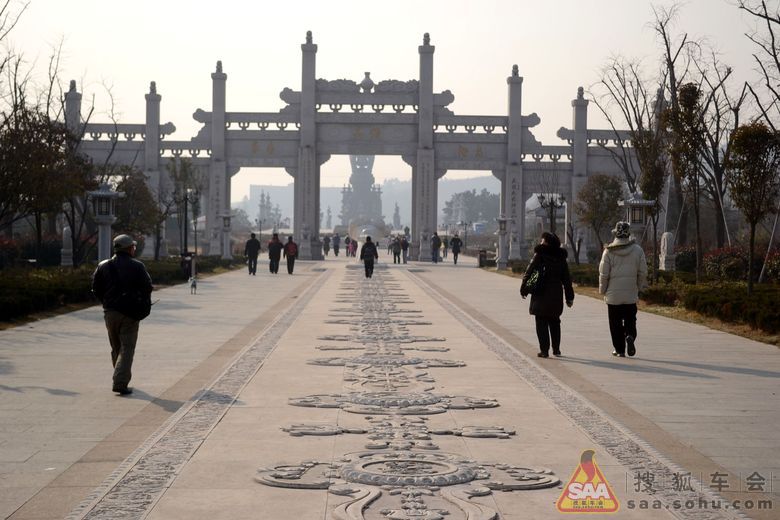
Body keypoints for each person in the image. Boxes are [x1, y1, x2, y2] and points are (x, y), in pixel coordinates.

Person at [91, 234, 154, 395]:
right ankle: (120, 381)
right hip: (130, 314)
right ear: (129, 248)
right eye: (133, 247)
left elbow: (96, 288)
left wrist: (107, 302)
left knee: (116, 347)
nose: (134, 248)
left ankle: (120, 376)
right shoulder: (137, 266)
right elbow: (148, 287)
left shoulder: (103, 265)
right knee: (127, 348)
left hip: (110, 313)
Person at [520, 232, 574, 358]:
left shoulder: (539, 255)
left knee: (541, 321)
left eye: (543, 240)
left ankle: (544, 351)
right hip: (556, 293)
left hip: (540, 292)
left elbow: (530, 272)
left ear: (548, 242)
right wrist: (569, 297)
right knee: (555, 321)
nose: (541, 242)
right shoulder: (561, 258)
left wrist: (524, 289)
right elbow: (566, 279)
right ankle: (556, 349)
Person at [599, 221, 648, 358]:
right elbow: (643, 272)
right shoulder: (638, 250)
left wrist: (602, 290)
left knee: (615, 323)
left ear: (615, 233)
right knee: (630, 319)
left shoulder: (608, 251)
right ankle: (630, 336)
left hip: (613, 295)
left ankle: (619, 349)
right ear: (629, 234)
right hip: (630, 293)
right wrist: (638, 286)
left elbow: (604, 274)